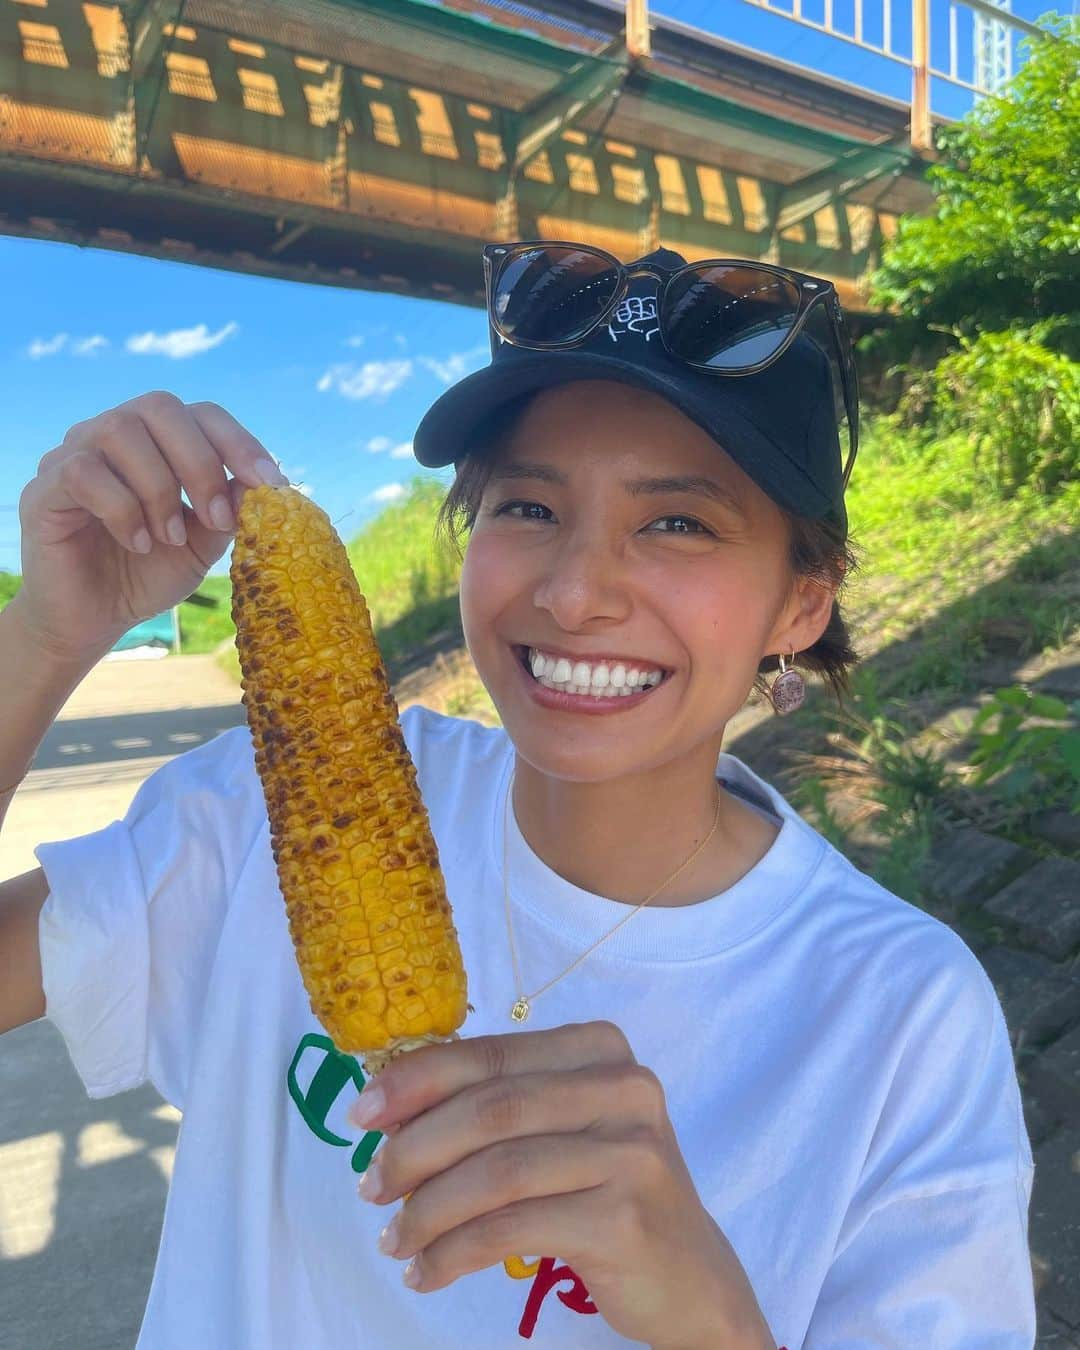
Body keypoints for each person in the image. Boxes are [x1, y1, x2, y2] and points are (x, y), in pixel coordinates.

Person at [0, 242, 1035, 1349]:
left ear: (800, 610)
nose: (576, 590)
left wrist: (718, 1323)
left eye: (677, 522)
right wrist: (45, 637)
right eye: (528, 507)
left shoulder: (901, 1018)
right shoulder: (260, 816)